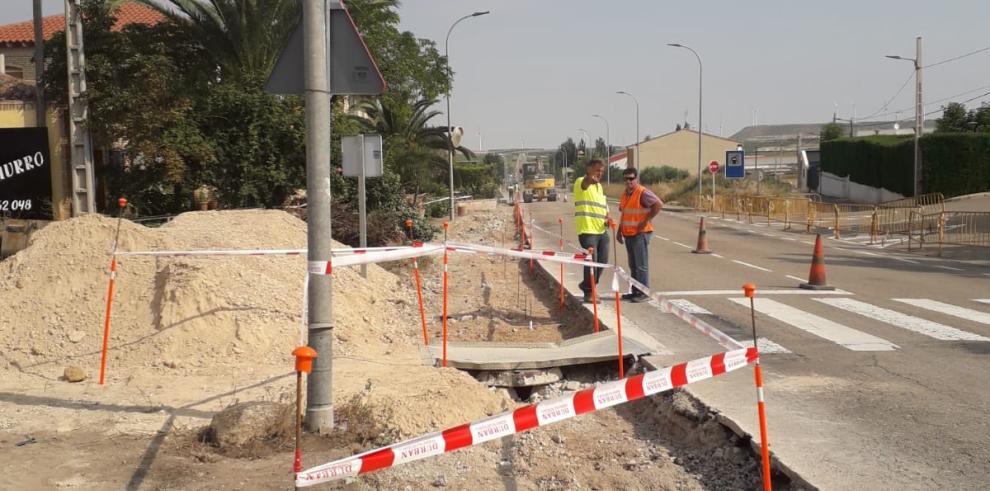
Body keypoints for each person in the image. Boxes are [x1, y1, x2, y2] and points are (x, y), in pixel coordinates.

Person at [617, 167, 662, 302]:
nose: (628, 181)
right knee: (633, 265)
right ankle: (635, 290)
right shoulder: (625, 194)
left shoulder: (642, 192)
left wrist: (645, 220)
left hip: (640, 233)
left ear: (636, 179)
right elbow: (624, 214)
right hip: (628, 233)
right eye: (626, 179)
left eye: (631, 178)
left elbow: (658, 204)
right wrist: (619, 231)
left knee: (641, 265)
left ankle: (644, 292)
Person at [573, 159, 610, 303]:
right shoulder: (580, 181)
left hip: (601, 230)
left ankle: (587, 285)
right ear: (589, 170)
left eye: (601, 171)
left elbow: (602, 205)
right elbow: (585, 183)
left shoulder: (599, 187)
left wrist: (607, 217)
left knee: (603, 261)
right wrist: (590, 179)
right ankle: (589, 292)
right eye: (596, 171)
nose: (599, 174)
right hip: (587, 230)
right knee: (591, 261)